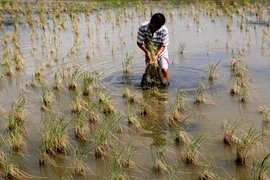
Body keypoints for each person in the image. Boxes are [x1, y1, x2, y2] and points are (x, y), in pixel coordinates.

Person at [137, 13, 170, 86]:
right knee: (150, 73)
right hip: (149, 52)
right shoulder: (143, 28)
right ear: (151, 22)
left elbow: (163, 45)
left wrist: (157, 55)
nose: (156, 29)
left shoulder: (164, 30)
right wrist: (147, 52)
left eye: (158, 27)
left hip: (161, 52)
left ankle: (167, 89)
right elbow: (139, 42)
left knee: (164, 70)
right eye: (155, 26)